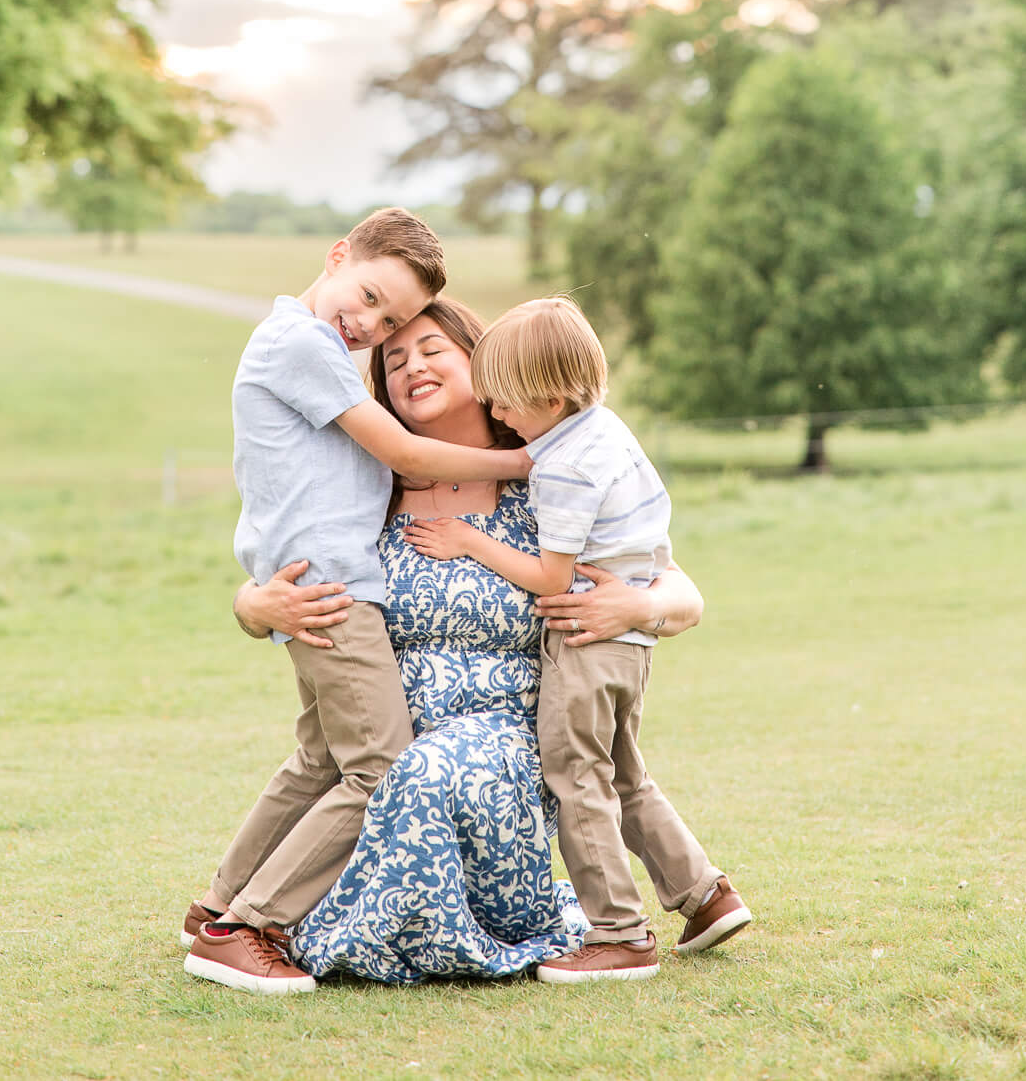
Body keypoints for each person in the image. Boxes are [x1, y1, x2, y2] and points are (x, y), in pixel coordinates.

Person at [224, 298, 706, 984]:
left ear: (480, 366)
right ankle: (241, 916)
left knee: (414, 774)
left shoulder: (550, 474)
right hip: (384, 746)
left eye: (430, 349)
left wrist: (644, 602)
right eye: (392, 360)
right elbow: (282, 570)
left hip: (503, 739)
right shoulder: (371, 488)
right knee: (381, 769)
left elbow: (684, 591)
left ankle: (271, 920)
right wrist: (254, 603)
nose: (410, 365)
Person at [180, 209, 532, 995]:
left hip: (319, 582)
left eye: (392, 319)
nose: (368, 324)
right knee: (380, 768)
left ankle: (214, 908)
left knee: (319, 761)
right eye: (369, 296)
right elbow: (402, 451)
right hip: (333, 590)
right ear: (338, 255)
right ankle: (251, 927)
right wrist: (526, 457)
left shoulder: (305, 344)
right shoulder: (301, 341)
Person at [404, 294, 750, 983]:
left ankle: (619, 932)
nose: (498, 413)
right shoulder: (604, 431)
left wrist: (466, 538)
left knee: (574, 775)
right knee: (623, 771)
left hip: (586, 640)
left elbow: (549, 576)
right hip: (629, 647)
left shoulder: (567, 465)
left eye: (506, 401)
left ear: (553, 394)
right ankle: (705, 894)